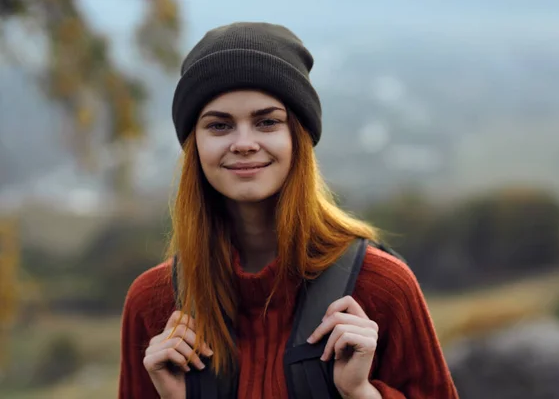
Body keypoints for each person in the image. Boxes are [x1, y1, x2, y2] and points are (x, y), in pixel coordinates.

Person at [118, 21, 458, 399]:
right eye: (219, 125)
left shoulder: (381, 287)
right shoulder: (152, 303)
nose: (244, 143)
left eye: (267, 122)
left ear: (299, 137)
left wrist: (360, 393)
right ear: (193, 145)